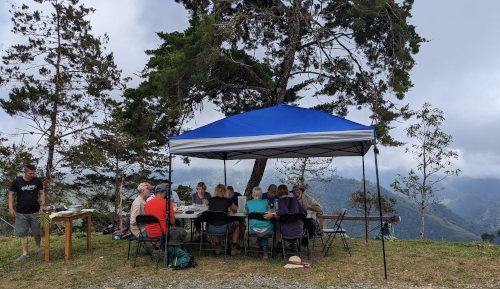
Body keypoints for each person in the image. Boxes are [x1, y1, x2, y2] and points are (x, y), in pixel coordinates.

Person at [8, 164, 45, 261]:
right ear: (25, 172)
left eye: (33, 173)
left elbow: (42, 193)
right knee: (23, 233)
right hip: (21, 212)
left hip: (35, 211)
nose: (32, 175)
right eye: (30, 173)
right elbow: (11, 194)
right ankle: (24, 253)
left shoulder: (37, 181)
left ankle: (38, 248)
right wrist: (11, 208)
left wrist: (42, 206)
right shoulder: (17, 181)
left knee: (37, 232)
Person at [206, 184, 241, 255]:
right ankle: (233, 247)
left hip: (211, 229)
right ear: (224, 191)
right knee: (237, 223)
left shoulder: (210, 200)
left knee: (214, 222)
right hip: (224, 228)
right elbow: (235, 210)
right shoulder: (227, 200)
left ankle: (218, 247)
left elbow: (209, 210)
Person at [245, 186, 273, 259]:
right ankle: (265, 251)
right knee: (265, 227)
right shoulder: (265, 202)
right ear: (261, 195)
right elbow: (269, 212)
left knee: (261, 228)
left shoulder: (248, 203)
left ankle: (258, 243)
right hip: (265, 229)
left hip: (253, 229)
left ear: (252, 194)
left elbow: (246, 212)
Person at [276, 184, 306, 252]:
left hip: (285, 232)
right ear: (287, 191)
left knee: (277, 223)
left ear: (278, 192)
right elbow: (304, 212)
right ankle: (293, 244)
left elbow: (284, 211)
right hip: (298, 231)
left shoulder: (279, 201)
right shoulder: (294, 200)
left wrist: (274, 213)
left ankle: (280, 244)